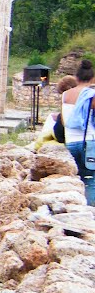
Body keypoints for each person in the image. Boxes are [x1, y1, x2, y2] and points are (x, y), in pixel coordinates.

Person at [62, 60, 95, 205]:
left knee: (73, 179)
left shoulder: (66, 95)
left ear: (76, 77)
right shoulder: (92, 95)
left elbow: (63, 121)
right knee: (91, 180)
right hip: (89, 141)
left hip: (70, 142)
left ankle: (74, 207)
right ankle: (89, 212)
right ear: (92, 78)